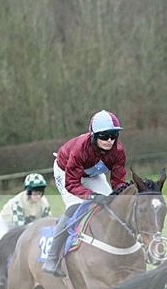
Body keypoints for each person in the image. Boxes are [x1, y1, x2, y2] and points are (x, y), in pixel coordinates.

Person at [42, 110, 128, 277]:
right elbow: (72, 184)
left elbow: (118, 181)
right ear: (94, 136)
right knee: (75, 207)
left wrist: (121, 194)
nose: (110, 140)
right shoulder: (80, 149)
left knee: (112, 204)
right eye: (104, 136)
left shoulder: (118, 150)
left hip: (93, 174)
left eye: (114, 135)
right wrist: (92, 196)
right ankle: (52, 258)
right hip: (66, 172)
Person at [0, 173, 52, 240]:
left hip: (25, 223)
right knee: (6, 244)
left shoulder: (44, 202)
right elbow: (19, 228)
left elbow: (48, 223)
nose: (38, 195)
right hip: (6, 224)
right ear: (28, 190)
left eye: (41, 191)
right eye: (35, 191)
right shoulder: (18, 202)